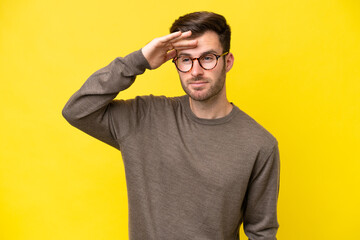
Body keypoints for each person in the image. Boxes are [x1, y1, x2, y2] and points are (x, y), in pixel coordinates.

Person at [63, 11, 280, 240]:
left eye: (207, 58)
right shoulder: (144, 118)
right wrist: (139, 60)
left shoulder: (259, 145)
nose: (195, 72)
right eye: (186, 59)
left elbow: (261, 234)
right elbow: (77, 110)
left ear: (227, 62)